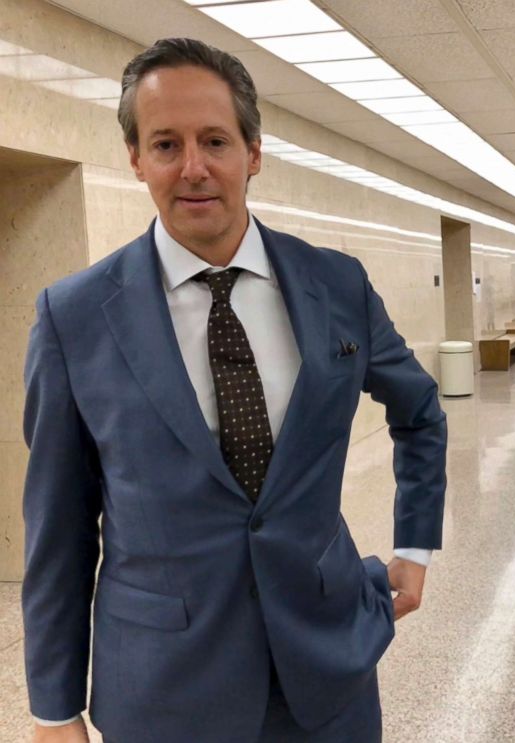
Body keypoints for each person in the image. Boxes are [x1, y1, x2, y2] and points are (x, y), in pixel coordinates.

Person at [21, 38, 447, 743]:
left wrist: (416, 543)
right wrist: (53, 709)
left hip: (327, 667)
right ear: (136, 159)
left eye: (214, 140)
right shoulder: (74, 318)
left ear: (253, 150)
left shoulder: (336, 286)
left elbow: (420, 410)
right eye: (165, 143)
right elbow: (58, 528)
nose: (194, 168)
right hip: (166, 687)